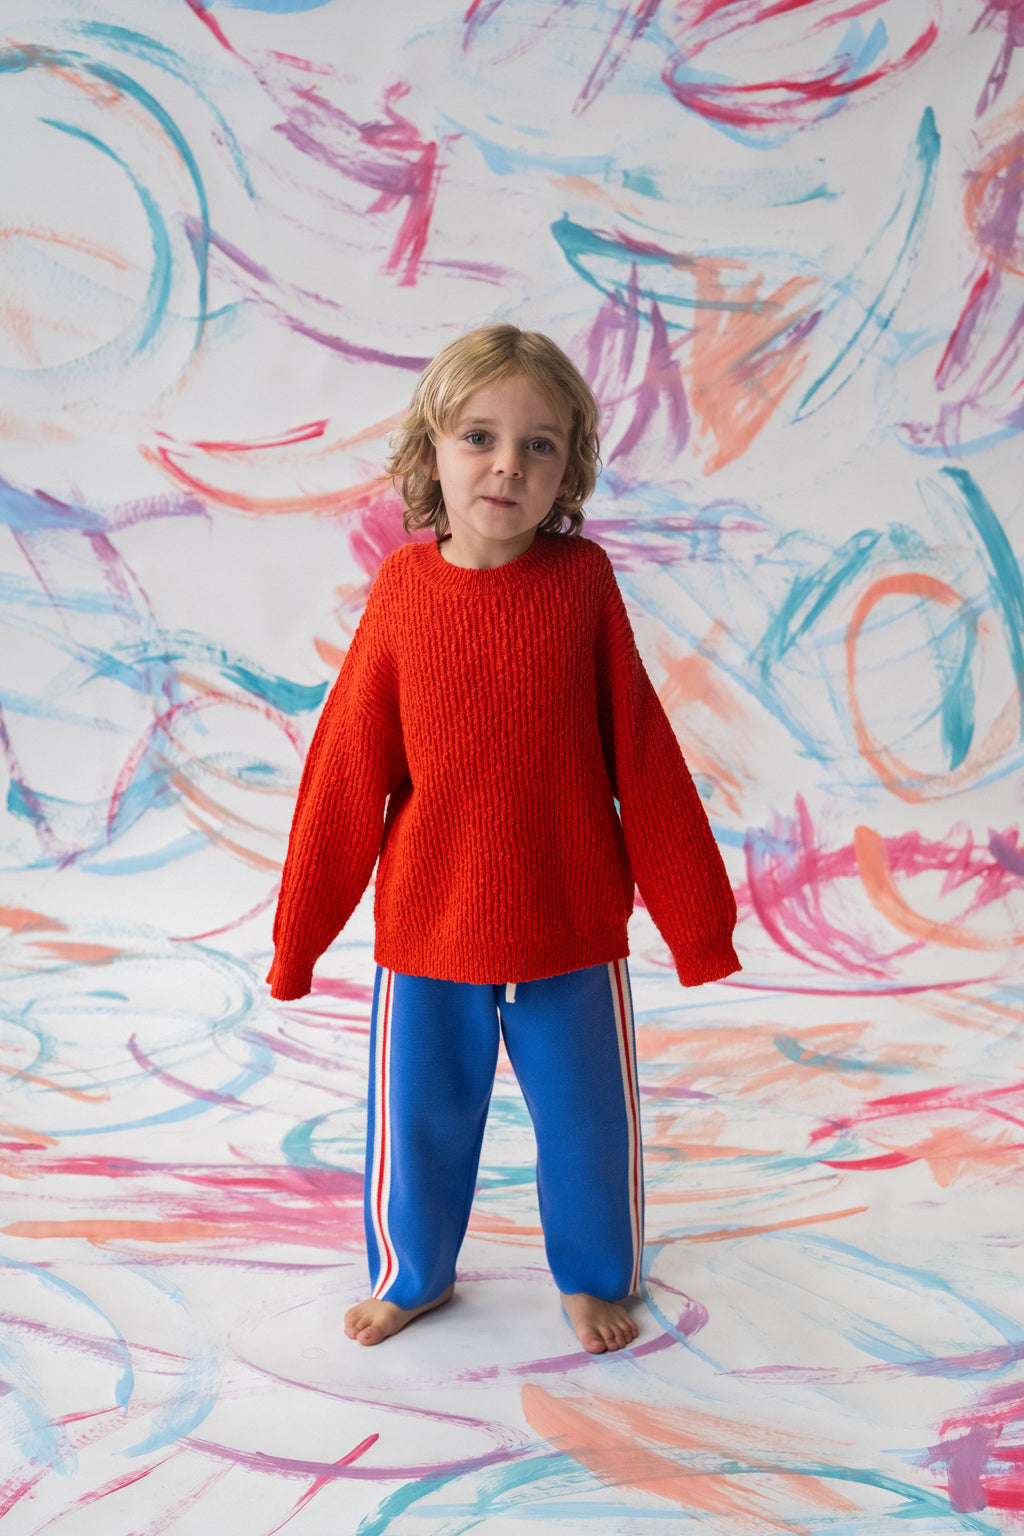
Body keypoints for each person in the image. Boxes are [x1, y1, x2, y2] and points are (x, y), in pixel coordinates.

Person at [267, 324, 740, 1353]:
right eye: (479, 436)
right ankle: (412, 1273)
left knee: (586, 1123)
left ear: (569, 467)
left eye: (539, 444)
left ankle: (594, 1278)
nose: (507, 465)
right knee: (419, 1121)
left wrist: (699, 925)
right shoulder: (403, 594)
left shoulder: (583, 585)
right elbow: (347, 770)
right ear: (429, 450)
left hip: (569, 926)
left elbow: (643, 757)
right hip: (427, 933)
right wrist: (298, 939)